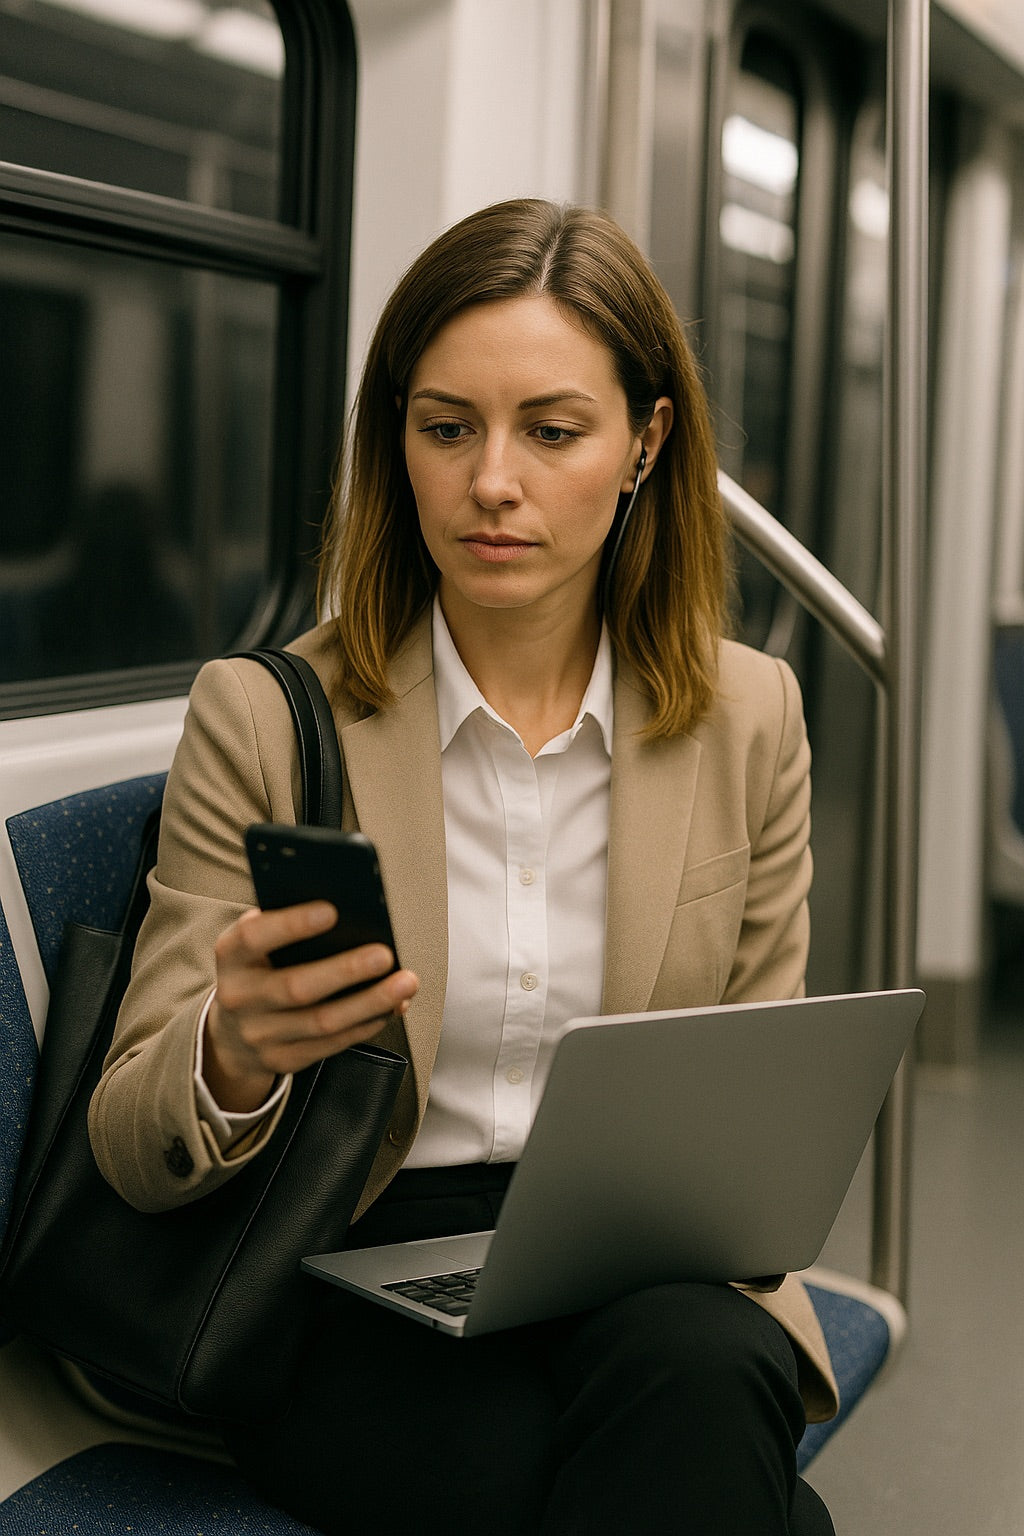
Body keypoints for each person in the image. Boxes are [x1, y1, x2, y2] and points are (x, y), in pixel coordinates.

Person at [89, 198, 838, 1535]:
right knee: (694, 1485)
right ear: (402, 441)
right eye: (448, 429)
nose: (493, 482)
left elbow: (753, 1116)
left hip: (633, 1260)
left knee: (708, 1365)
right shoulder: (265, 716)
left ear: (644, 445)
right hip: (343, 1263)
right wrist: (234, 1054)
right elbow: (136, 1146)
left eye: (552, 432)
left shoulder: (749, 717)